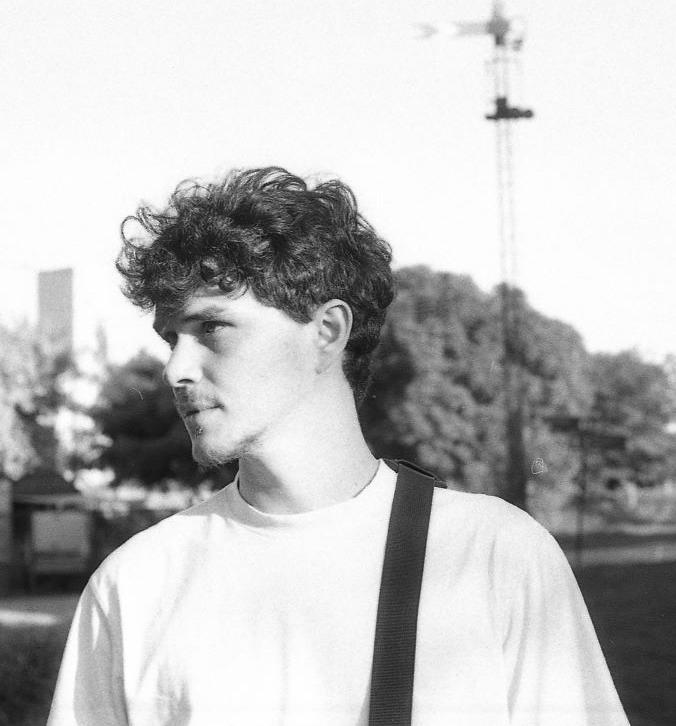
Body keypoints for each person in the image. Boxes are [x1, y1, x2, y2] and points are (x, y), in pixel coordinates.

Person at [48, 167, 629, 725]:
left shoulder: (493, 556)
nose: (176, 368)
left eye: (212, 328)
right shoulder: (135, 585)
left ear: (326, 332)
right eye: (170, 338)